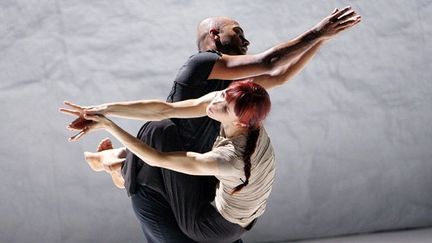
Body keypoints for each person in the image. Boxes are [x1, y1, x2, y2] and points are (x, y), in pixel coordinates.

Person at [61, 7, 361, 242]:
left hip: (202, 165)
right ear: (216, 36)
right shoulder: (203, 63)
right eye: (238, 32)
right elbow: (270, 63)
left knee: (163, 144)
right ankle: (119, 166)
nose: (246, 40)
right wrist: (318, 31)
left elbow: (279, 75)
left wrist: (322, 40)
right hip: (172, 155)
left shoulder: (231, 91)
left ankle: (115, 163)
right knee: (159, 134)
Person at [62, 81, 274, 242]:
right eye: (222, 94)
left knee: (159, 144)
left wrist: (108, 125)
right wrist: (102, 109)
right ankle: (119, 164)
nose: (216, 103)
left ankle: (121, 170)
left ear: (242, 123)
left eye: (225, 109)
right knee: (161, 128)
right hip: (232, 206)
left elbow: (157, 159)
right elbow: (166, 109)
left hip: (211, 228)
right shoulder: (246, 116)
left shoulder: (231, 158)